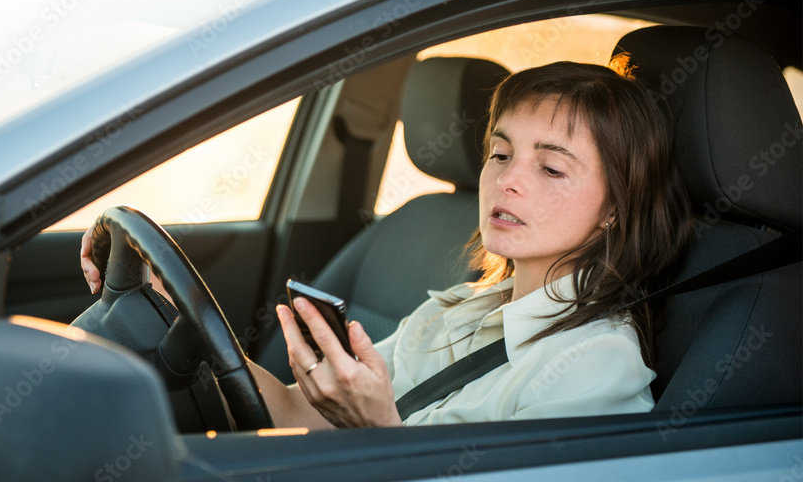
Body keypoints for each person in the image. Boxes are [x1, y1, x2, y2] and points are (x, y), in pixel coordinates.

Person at [81, 58, 692, 430]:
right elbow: (294, 416)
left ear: (617, 208)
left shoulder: (596, 363)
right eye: (500, 153)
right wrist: (165, 305)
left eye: (551, 169)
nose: (506, 179)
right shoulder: (456, 309)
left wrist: (376, 428)